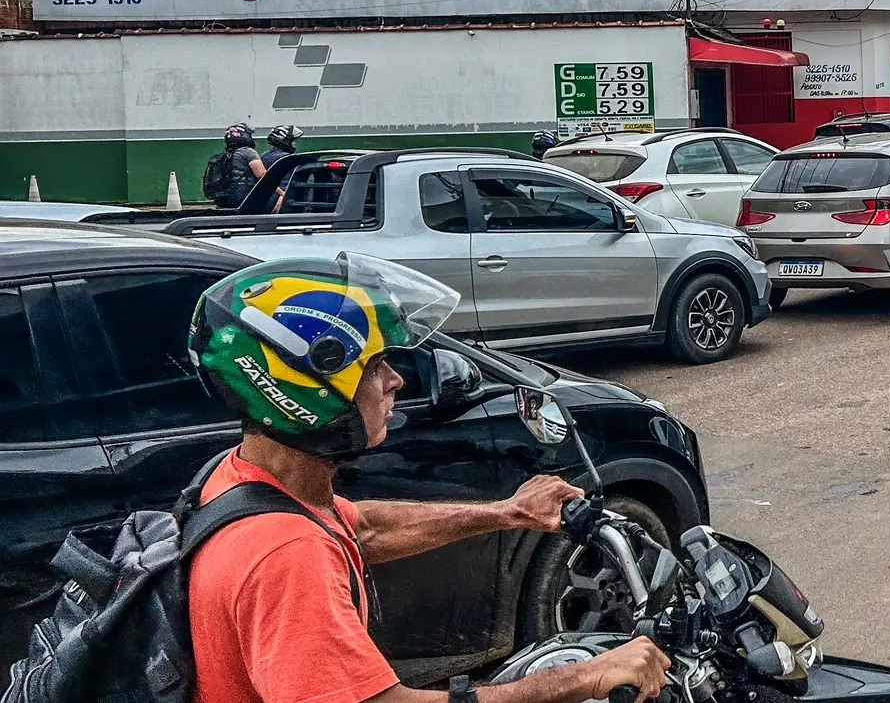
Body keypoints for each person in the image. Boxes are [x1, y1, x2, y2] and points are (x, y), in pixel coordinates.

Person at [185, 255, 670, 703]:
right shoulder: (286, 556)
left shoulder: (246, 479)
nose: (396, 380)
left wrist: (507, 513)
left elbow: (362, 527)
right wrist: (584, 678)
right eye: (375, 366)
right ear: (308, 391)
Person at [221, 123, 265, 209]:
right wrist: (281, 192)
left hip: (226, 198)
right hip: (245, 197)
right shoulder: (248, 152)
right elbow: (263, 176)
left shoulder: (227, 155)